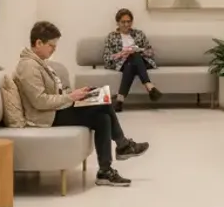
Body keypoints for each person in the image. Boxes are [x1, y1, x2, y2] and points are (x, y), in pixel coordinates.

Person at [16, 20, 149, 188]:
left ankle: (105, 171)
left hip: (55, 109)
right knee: (103, 104)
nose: (54, 50)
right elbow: (39, 101)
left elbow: (52, 93)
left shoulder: (38, 62)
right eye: (51, 46)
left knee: (102, 116)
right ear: (38, 43)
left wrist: (78, 94)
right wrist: (70, 97)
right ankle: (123, 145)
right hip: (46, 116)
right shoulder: (28, 66)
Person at [102, 9, 162, 112]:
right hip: (122, 63)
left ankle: (120, 99)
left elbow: (151, 52)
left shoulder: (139, 34)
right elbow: (107, 58)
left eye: (128, 21)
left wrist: (139, 50)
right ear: (118, 22)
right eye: (123, 22)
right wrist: (122, 53)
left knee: (134, 55)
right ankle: (149, 86)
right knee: (130, 61)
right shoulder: (111, 37)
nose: (126, 24)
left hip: (142, 61)